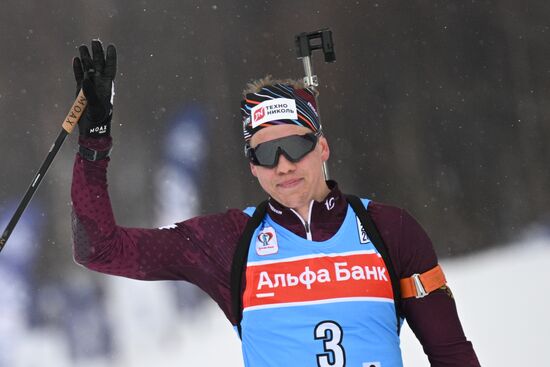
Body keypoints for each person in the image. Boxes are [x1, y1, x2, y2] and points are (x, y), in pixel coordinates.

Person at [71, 40, 481, 367]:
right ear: (252, 167)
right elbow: (100, 249)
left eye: (294, 146)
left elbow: (451, 355)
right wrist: (94, 140)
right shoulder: (229, 242)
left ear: (322, 146)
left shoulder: (389, 229)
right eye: (265, 153)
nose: (283, 165)